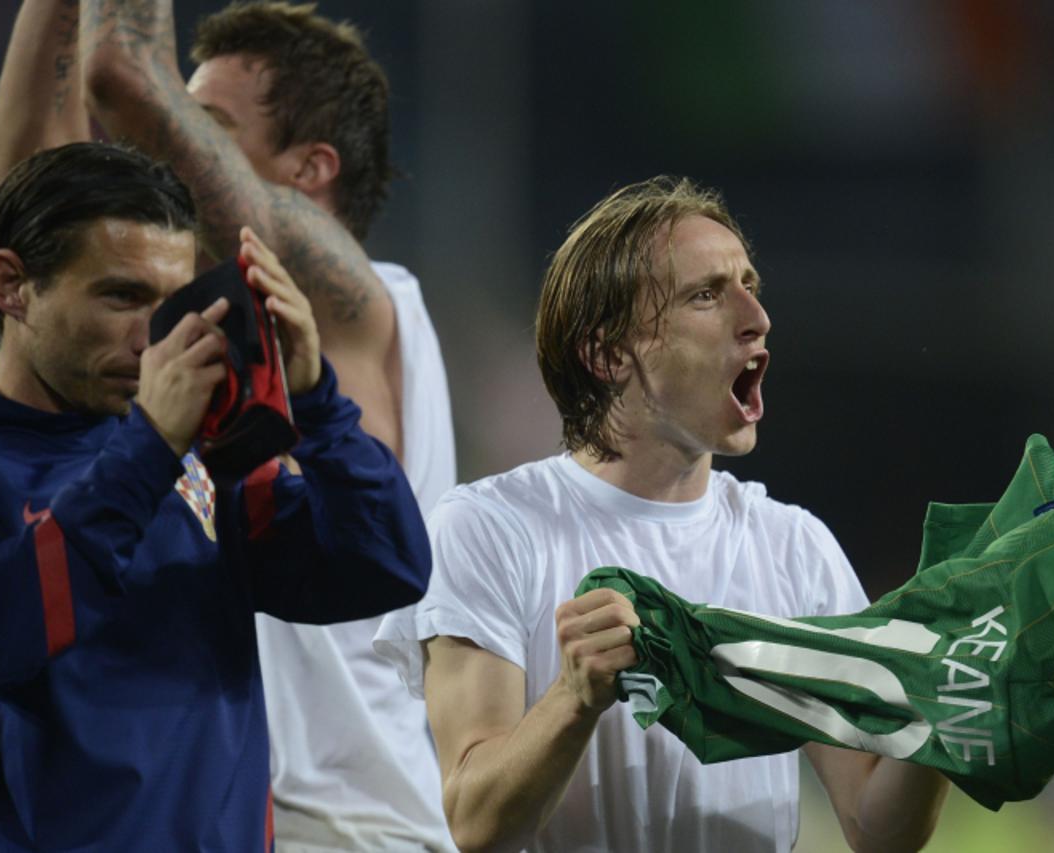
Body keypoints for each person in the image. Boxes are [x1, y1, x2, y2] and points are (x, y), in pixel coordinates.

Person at [0, 3, 458, 849]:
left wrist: (307, 404)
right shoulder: (167, 379)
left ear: (311, 168)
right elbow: (33, 183)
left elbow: (122, 78)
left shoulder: (345, 297)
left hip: (343, 821)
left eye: (204, 123)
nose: (157, 145)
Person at [374, 176, 952, 852]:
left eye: (749, 284)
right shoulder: (489, 529)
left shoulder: (795, 547)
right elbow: (475, 822)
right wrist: (573, 699)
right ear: (607, 354)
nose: (756, 316)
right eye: (705, 294)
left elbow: (876, 828)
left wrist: (945, 711)